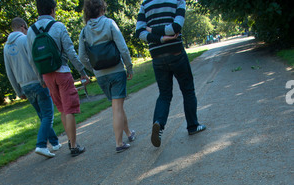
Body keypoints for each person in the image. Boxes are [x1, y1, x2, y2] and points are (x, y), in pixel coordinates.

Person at [136, 0, 206, 147]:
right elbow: (175, 27)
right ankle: (193, 126)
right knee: (188, 90)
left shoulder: (146, 3)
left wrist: (153, 32)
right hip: (176, 53)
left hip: (157, 56)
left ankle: (158, 123)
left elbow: (140, 32)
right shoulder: (178, 1)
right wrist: (164, 35)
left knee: (164, 94)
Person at [27, 0, 90, 156]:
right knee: (69, 109)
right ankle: (74, 145)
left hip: (47, 76)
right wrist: (82, 71)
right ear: (52, 10)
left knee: (62, 109)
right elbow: (70, 52)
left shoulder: (30, 31)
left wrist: (40, 77)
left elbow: (31, 58)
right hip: (62, 71)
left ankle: (70, 140)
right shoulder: (58, 26)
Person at [78, 0, 135, 153]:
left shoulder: (84, 31)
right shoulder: (109, 24)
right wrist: (129, 67)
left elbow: (82, 57)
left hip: (101, 75)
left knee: (118, 106)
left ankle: (129, 133)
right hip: (116, 71)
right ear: (102, 8)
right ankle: (119, 143)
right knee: (117, 107)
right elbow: (123, 48)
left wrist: (93, 69)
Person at [4, 17, 60, 158]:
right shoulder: (25, 40)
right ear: (23, 26)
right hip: (36, 81)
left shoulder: (6, 48)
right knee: (48, 115)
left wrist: (18, 91)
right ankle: (41, 145)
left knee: (43, 116)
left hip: (25, 86)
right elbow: (34, 61)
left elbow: (9, 72)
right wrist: (41, 78)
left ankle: (54, 142)